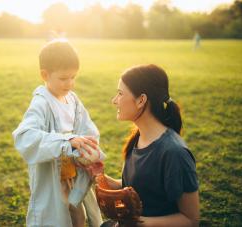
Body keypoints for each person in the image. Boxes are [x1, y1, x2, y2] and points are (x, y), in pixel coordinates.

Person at [93, 64, 200, 226]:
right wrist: (98, 176)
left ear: (141, 100)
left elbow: (191, 220)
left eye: (120, 94)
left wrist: (138, 223)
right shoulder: (138, 137)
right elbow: (140, 188)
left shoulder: (174, 153)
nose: (114, 100)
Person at [12, 39, 103, 227]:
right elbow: (25, 136)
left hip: (75, 170)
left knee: (80, 215)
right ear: (45, 75)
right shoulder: (41, 103)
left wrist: (87, 149)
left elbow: (87, 128)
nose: (70, 83)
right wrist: (67, 142)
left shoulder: (72, 99)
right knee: (57, 218)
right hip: (54, 175)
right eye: (63, 78)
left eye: (73, 77)